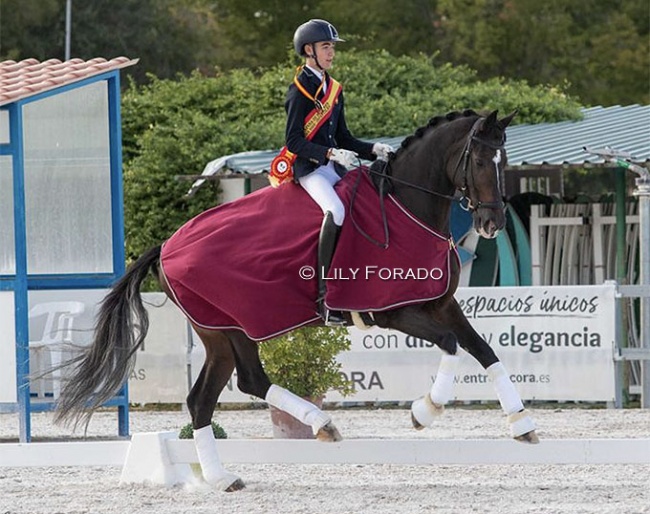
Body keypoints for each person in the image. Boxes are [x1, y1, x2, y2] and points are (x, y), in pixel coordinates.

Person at [275, 18, 393, 326]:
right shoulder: (299, 89)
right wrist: (327, 153)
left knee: (364, 207)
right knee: (336, 211)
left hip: (332, 166)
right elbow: (294, 141)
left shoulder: (334, 89)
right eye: (326, 47)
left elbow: (345, 138)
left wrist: (374, 149)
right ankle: (325, 297)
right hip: (310, 170)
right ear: (309, 50)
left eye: (331, 47)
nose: (331, 53)